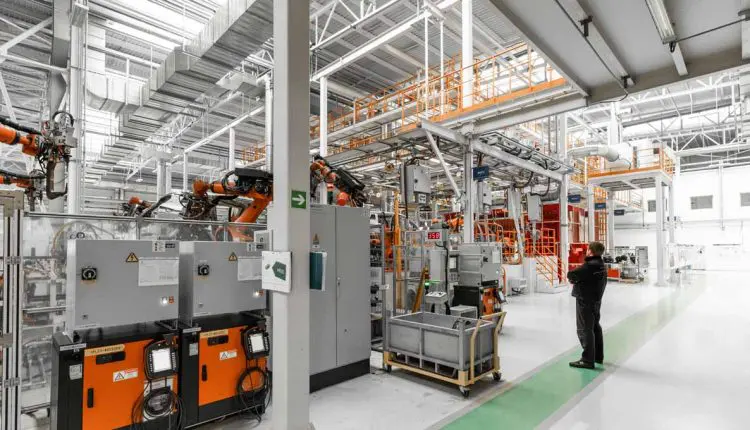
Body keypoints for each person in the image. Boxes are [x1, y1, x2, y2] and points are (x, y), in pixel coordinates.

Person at [567, 241, 607, 369]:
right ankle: (597, 356)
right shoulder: (601, 265)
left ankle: (587, 360)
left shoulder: (589, 266)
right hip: (596, 301)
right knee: (595, 327)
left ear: (591, 251)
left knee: (584, 329)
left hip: (585, 301)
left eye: (588, 249)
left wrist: (575, 279)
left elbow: (571, 274)